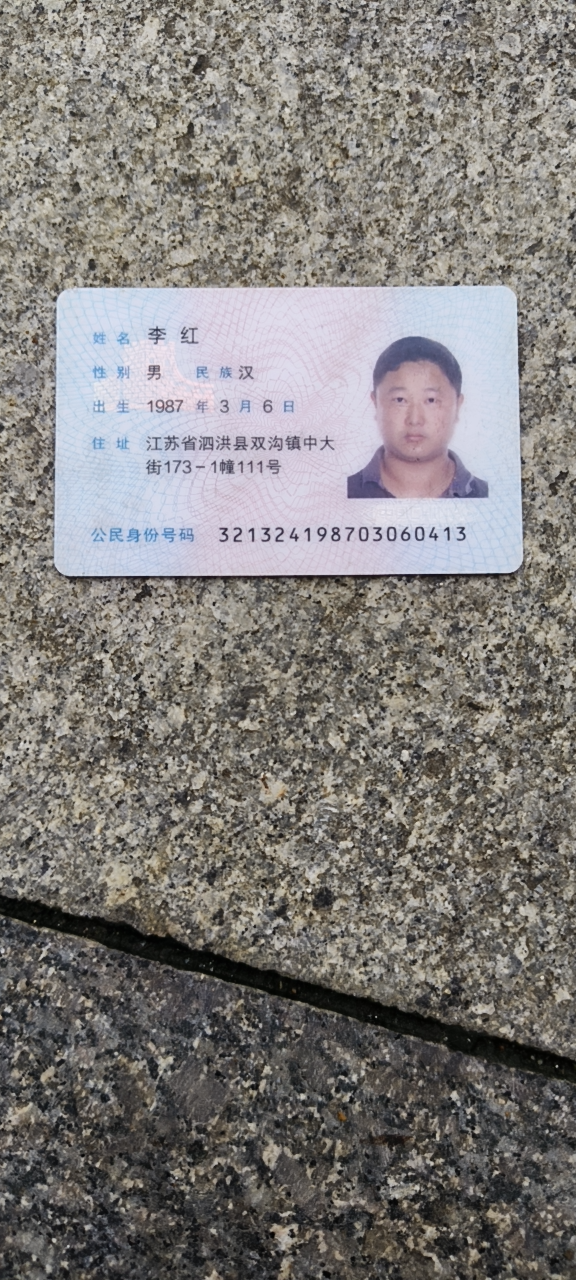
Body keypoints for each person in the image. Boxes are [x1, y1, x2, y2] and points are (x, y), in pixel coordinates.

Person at [347, 336, 488, 499]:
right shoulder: (342, 494)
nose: (414, 420)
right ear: (376, 404)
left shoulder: (487, 497)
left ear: (457, 406)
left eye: (431, 400)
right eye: (400, 400)